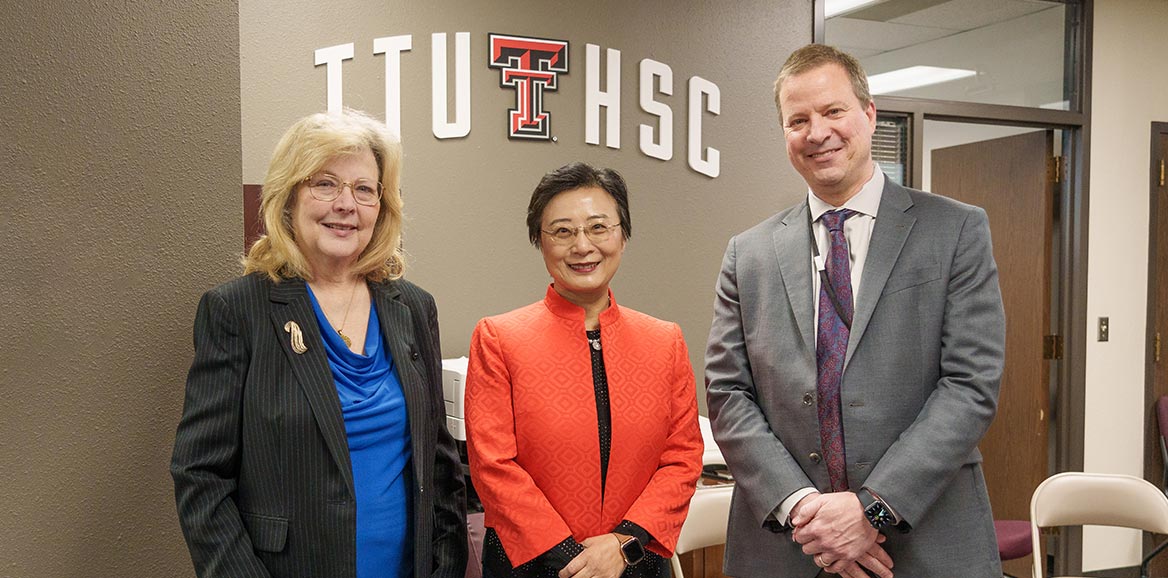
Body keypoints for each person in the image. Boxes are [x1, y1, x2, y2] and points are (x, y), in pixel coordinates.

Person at [705, 44, 1006, 578]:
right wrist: (803, 507)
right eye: (797, 119)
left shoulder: (955, 230)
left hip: (924, 540)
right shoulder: (746, 253)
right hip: (787, 546)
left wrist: (872, 507)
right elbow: (728, 392)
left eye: (833, 111)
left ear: (869, 114)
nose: (817, 132)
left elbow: (970, 384)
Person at [171, 110, 467, 578]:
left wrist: (446, 566)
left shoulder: (412, 307)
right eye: (325, 183)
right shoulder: (238, 310)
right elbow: (201, 476)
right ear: (289, 198)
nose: (346, 204)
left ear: (382, 206)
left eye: (364, 189)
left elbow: (439, 461)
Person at [465, 162, 703, 578]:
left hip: (636, 560)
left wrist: (621, 543)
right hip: (532, 565)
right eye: (562, 231)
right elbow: (493, 465)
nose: (582, 246)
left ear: (622, 236)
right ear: (540, 242)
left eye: (598, 227)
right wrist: (576, 560)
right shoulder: (498, 339)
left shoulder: (665, 341)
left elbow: (682, 459)